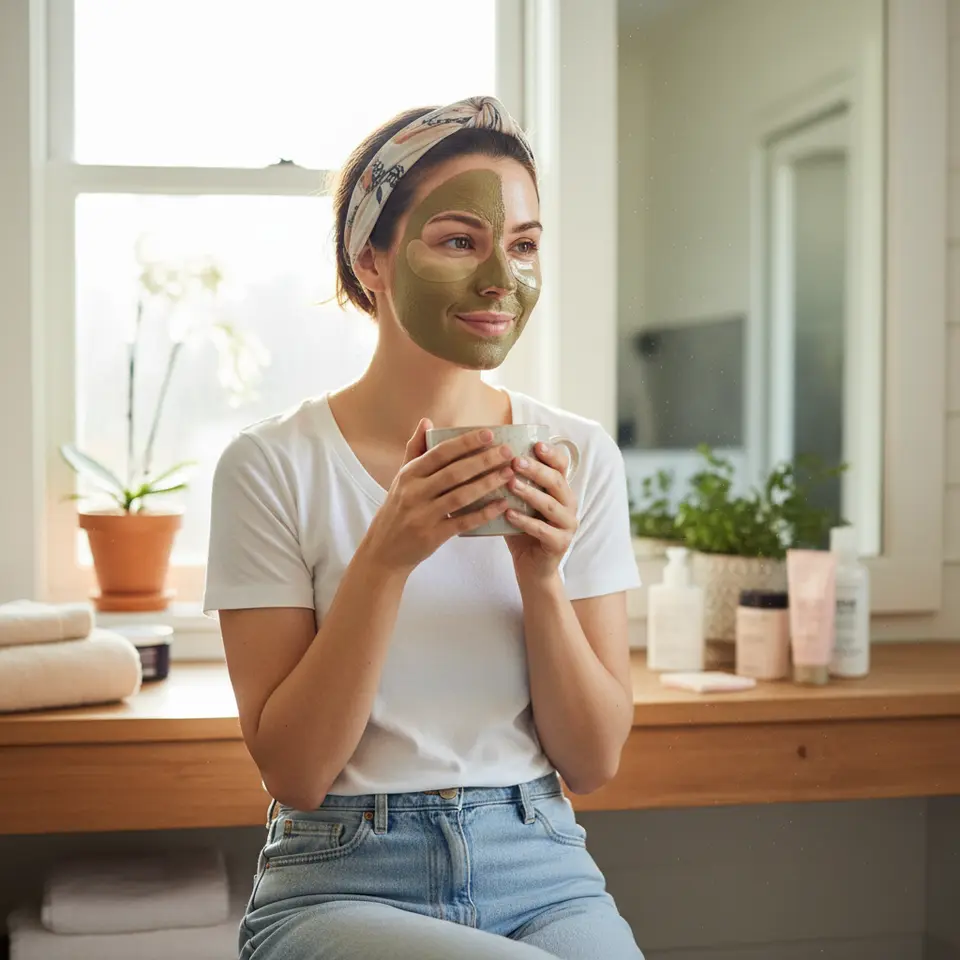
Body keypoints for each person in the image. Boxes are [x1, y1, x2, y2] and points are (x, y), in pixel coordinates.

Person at [204, 95, 643, 960]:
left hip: (542, 868)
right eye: (458, 240)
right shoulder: (271, 465)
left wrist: (542, 576)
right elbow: (293, 772)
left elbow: (592, 763)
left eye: (522, 245)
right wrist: (385, 555)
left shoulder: (576, 457)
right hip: (338, 879)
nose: (500, 279)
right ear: (369, 259)